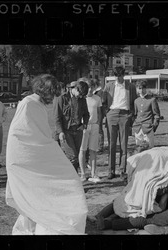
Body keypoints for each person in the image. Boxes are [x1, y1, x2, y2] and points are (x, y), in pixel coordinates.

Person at [5, 74, 88, 235]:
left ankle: (44, 220)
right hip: (27, 158)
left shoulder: (39, 105)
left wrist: (47, 146)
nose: (53, 98)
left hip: (40, 154)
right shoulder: (28, 104)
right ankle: (40, 222)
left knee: (49, 188)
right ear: (44, 90)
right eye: (52, 93)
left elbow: (40, 132)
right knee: (35, 192)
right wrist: (45, 148)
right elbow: (21, 133)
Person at [96, 181, 168, 234]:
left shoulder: (163, 183)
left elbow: (161, 208)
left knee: (146, 218)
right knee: (161, 217)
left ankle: (107, 224)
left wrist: (165, 192)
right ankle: (165, 228)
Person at [102, 66, 137, 180]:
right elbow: (103, 102)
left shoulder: (130, 87)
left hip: (124, 115)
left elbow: (134, 102)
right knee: (111, 144)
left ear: (124, 75)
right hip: (112, 114)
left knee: (123, 144)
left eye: (120, 76)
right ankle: (111, 170)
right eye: (116, 76)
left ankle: (122, 170)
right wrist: (107, 113)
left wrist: (130, 115)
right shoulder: (108, 86)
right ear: (114, 76)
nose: (118, 78)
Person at [53, 80, 90, 172]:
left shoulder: (82, 100)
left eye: (82, 95)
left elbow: (86, 114)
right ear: (75, 89)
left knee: (76, 156)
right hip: (66, 131)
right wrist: (60, 132)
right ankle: (72, 180)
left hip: (78, 130)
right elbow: (57, 117)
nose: (80, 96)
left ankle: (74, 177)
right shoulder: (61, 99)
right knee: (72, 156)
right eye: (79, 94)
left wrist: (84, 125)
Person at [78, 79, 102, 183]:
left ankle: (93, 173)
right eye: (88, 87)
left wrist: (99, 125)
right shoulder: (82, 99)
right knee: (82, 150)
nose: (90, 89)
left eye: (92, 87)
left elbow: (100, 113)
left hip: (94, 125)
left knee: (93, 150)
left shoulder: (97, 98)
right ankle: (83, 174)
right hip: (84, 126)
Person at [132, 80, 160, 152]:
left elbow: (156, 115)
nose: (141, 90)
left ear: (146, 88)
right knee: (138, 149)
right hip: (138, 128)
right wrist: (134, 124)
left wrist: (153, 126)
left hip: (148, 128)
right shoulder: (136, 101)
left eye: (143, 88)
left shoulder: (152, 100)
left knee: (149, 149)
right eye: (139, 88)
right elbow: (135, 114)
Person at [93, 78, 105, 153]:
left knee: (99, 129)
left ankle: (100, 146)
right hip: (94, 111)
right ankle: (96, 145)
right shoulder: (96, 91)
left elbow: (102, 102)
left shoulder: (99, 91)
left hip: (99, 111)